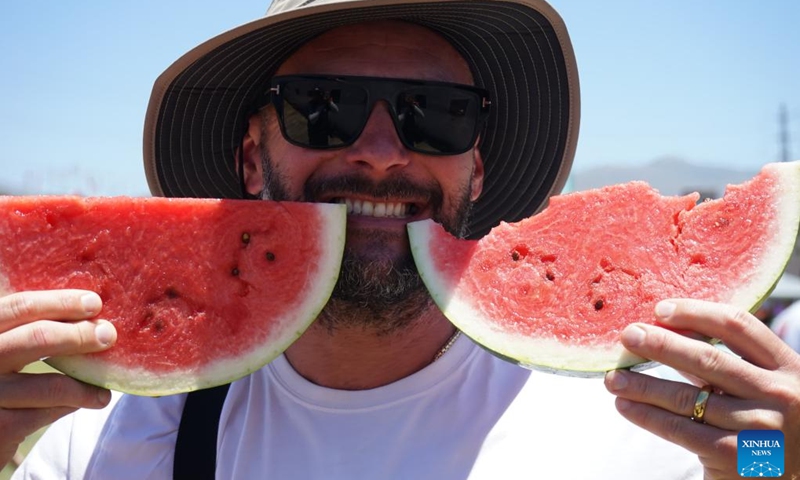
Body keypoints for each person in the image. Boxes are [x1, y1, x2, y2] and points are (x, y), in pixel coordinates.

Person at [3, 0, 799, 478]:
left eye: (435, 115)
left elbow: (754, 467)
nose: (381, 153)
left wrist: (782, 463)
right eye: (324, 107)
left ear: (477, 172)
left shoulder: (641, 427)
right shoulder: (105, 451)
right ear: (253, 158)